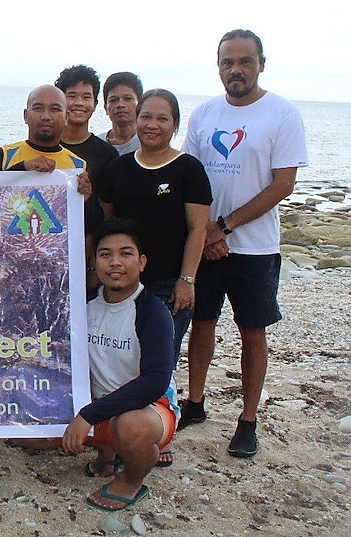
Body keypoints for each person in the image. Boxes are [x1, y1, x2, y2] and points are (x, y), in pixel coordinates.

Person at [179, 29, 308, 458]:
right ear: (218, 66)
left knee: (252, 333)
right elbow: (190, 176)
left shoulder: (282, 113)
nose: (236, 70)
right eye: (227, 62)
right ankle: (195, 403)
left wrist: (226, 226)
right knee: (202, 324)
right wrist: (207, 232)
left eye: (245, 61)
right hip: (205, 242)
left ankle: (248, 419)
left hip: (254, 247)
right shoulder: (204, 114)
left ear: (261, 63)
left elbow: (283, 184)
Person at [99, 88, 212, 466]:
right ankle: (120, 425)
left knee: (160, 362)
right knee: (120, 354)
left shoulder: (189, 169)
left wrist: (188, 279)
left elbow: (198, 229)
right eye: (147, 116)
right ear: (137, 118)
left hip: (167, 282)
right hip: (122, 279)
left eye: (163, 119)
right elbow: (108, 221)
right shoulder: (119, 168)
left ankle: (159, 432)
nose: (153, 125)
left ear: (175, 125)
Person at [64, 218, 177, 511]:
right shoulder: (83, 303)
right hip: (97, 407)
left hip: (148, 409)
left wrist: (88, 415)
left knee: (130, 427)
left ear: (141, 262)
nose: (115, 263)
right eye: (105, 254)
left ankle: (131, 478)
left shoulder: (154, 313)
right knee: (27, 437)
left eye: (125, 254)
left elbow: (154, 382)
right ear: (94, 261)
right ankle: (107, 452)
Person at [0, 85, 89, 186]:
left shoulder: (78, 166)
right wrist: (23, 168)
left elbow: (84, 206)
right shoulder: (2, 157)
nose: (46, 116)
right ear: (26, 116)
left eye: (55, 109)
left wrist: (82, 199)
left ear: (66, 118)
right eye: (38, 108)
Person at [56, 65, 119, 238]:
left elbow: (109, 211)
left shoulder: (107, 154)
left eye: (86, 97)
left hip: (91, 244)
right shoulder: (45, 148)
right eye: (72, 96)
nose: (79, 103)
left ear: (95, 103)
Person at [103, 72, 143, 155]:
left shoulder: (149, 145)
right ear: (105, 108)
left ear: (140, 105)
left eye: (128, 98)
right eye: (113, 100)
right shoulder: (96, 145)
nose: (120, 105)